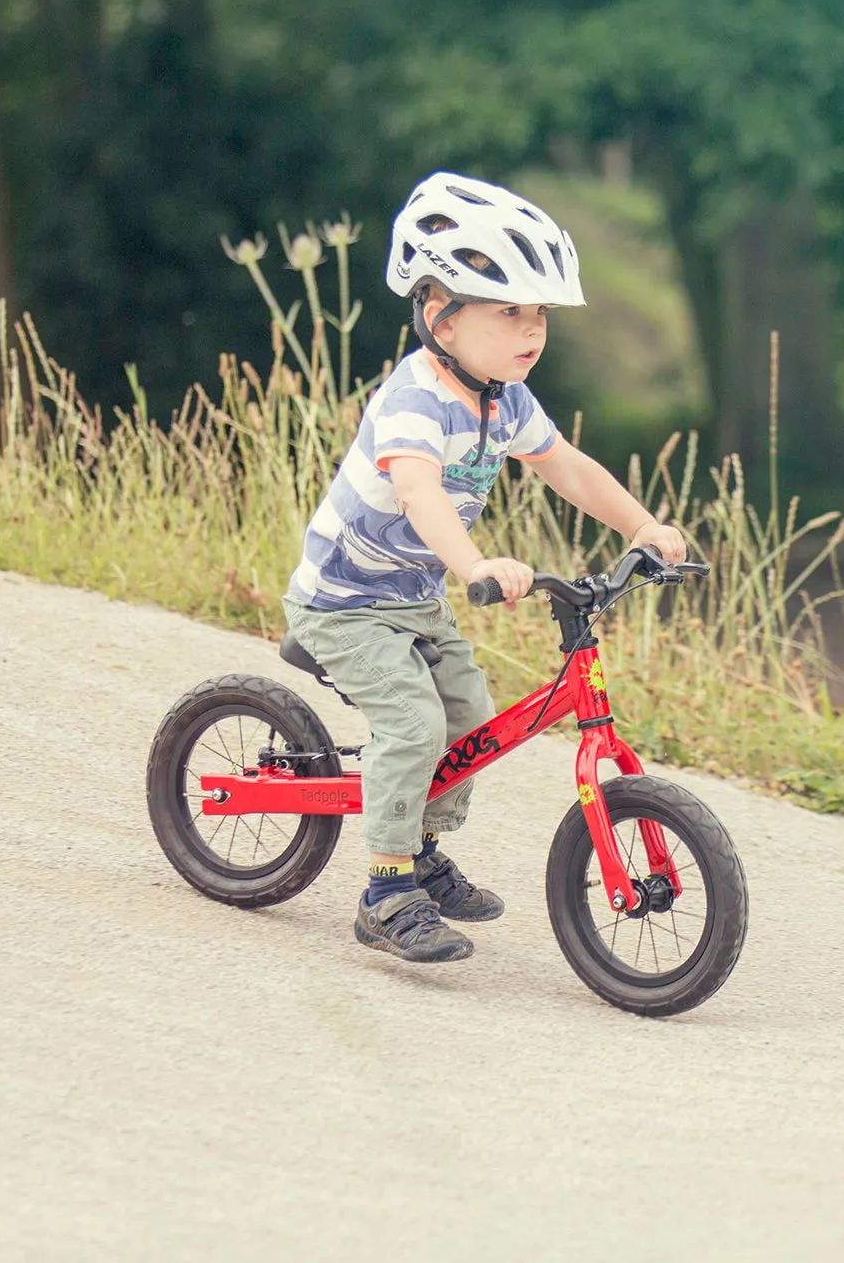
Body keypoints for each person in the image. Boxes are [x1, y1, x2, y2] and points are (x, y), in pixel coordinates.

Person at [282, 172, 689, 964]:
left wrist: (644, 526)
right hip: (347, 602)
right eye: (509, 312)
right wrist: (474, 563)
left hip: (414, 600)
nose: (531, 330)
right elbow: (420, 491)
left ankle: (423, 850)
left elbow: (567, 467)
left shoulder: (506, 399)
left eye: (538, 314)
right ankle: (386, 889)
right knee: (414, 723)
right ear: (441, 316)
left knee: (473, 721)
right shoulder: (414, 400)